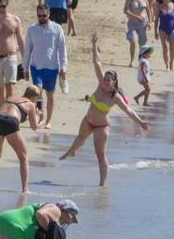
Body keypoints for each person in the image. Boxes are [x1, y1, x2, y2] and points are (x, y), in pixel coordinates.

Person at [60, 35, 149, 187]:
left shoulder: (115, 97)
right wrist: (94, 46)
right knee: (79, 139)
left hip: (101, 127)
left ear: (114, 82)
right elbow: (97, 63)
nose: (105, 81)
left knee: (100, 155)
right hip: (88, 120)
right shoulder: (100, 85)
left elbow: (128, 111)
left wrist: (140, 122)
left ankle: (103, 184)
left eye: (109, 80)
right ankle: (71, 151)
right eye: (105, 78)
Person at [0, 86, 42, 194]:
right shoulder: (31, 105)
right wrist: (38, 116)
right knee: (23, 157)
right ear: (34, 97)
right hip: (10, 122)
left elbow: (14, 112)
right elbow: (34, 127)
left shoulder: (12, 97)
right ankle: (25, 189)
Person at [22, 5, 67, 129]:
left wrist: (63, 67)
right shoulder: (32, 29)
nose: (41, 18)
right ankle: (40, 117)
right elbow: (27, 50)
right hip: (36, 67)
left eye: (44, 15)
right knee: (37, 91)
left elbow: (62, 49)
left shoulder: (57, 29)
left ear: (49, 13)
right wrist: (24, 68)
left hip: (52, 68)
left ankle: (49, 121)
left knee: (50, 95)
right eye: (39, 15)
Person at [123, 0, 151, 67]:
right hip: (132, 23)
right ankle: (131, 61)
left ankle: (141, 61)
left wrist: (150, 22)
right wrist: (136, 17)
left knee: (142, 44)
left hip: (143, 23)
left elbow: (148, 10)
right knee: (133, 41)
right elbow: (126, 11)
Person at [154, 0, 174, 71]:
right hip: (162, 29)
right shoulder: (159, 7)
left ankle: (171, 64)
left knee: (172, 48)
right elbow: (156, 20)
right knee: (165, 47)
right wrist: (155, 32)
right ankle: (167, 65)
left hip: (173, 29)